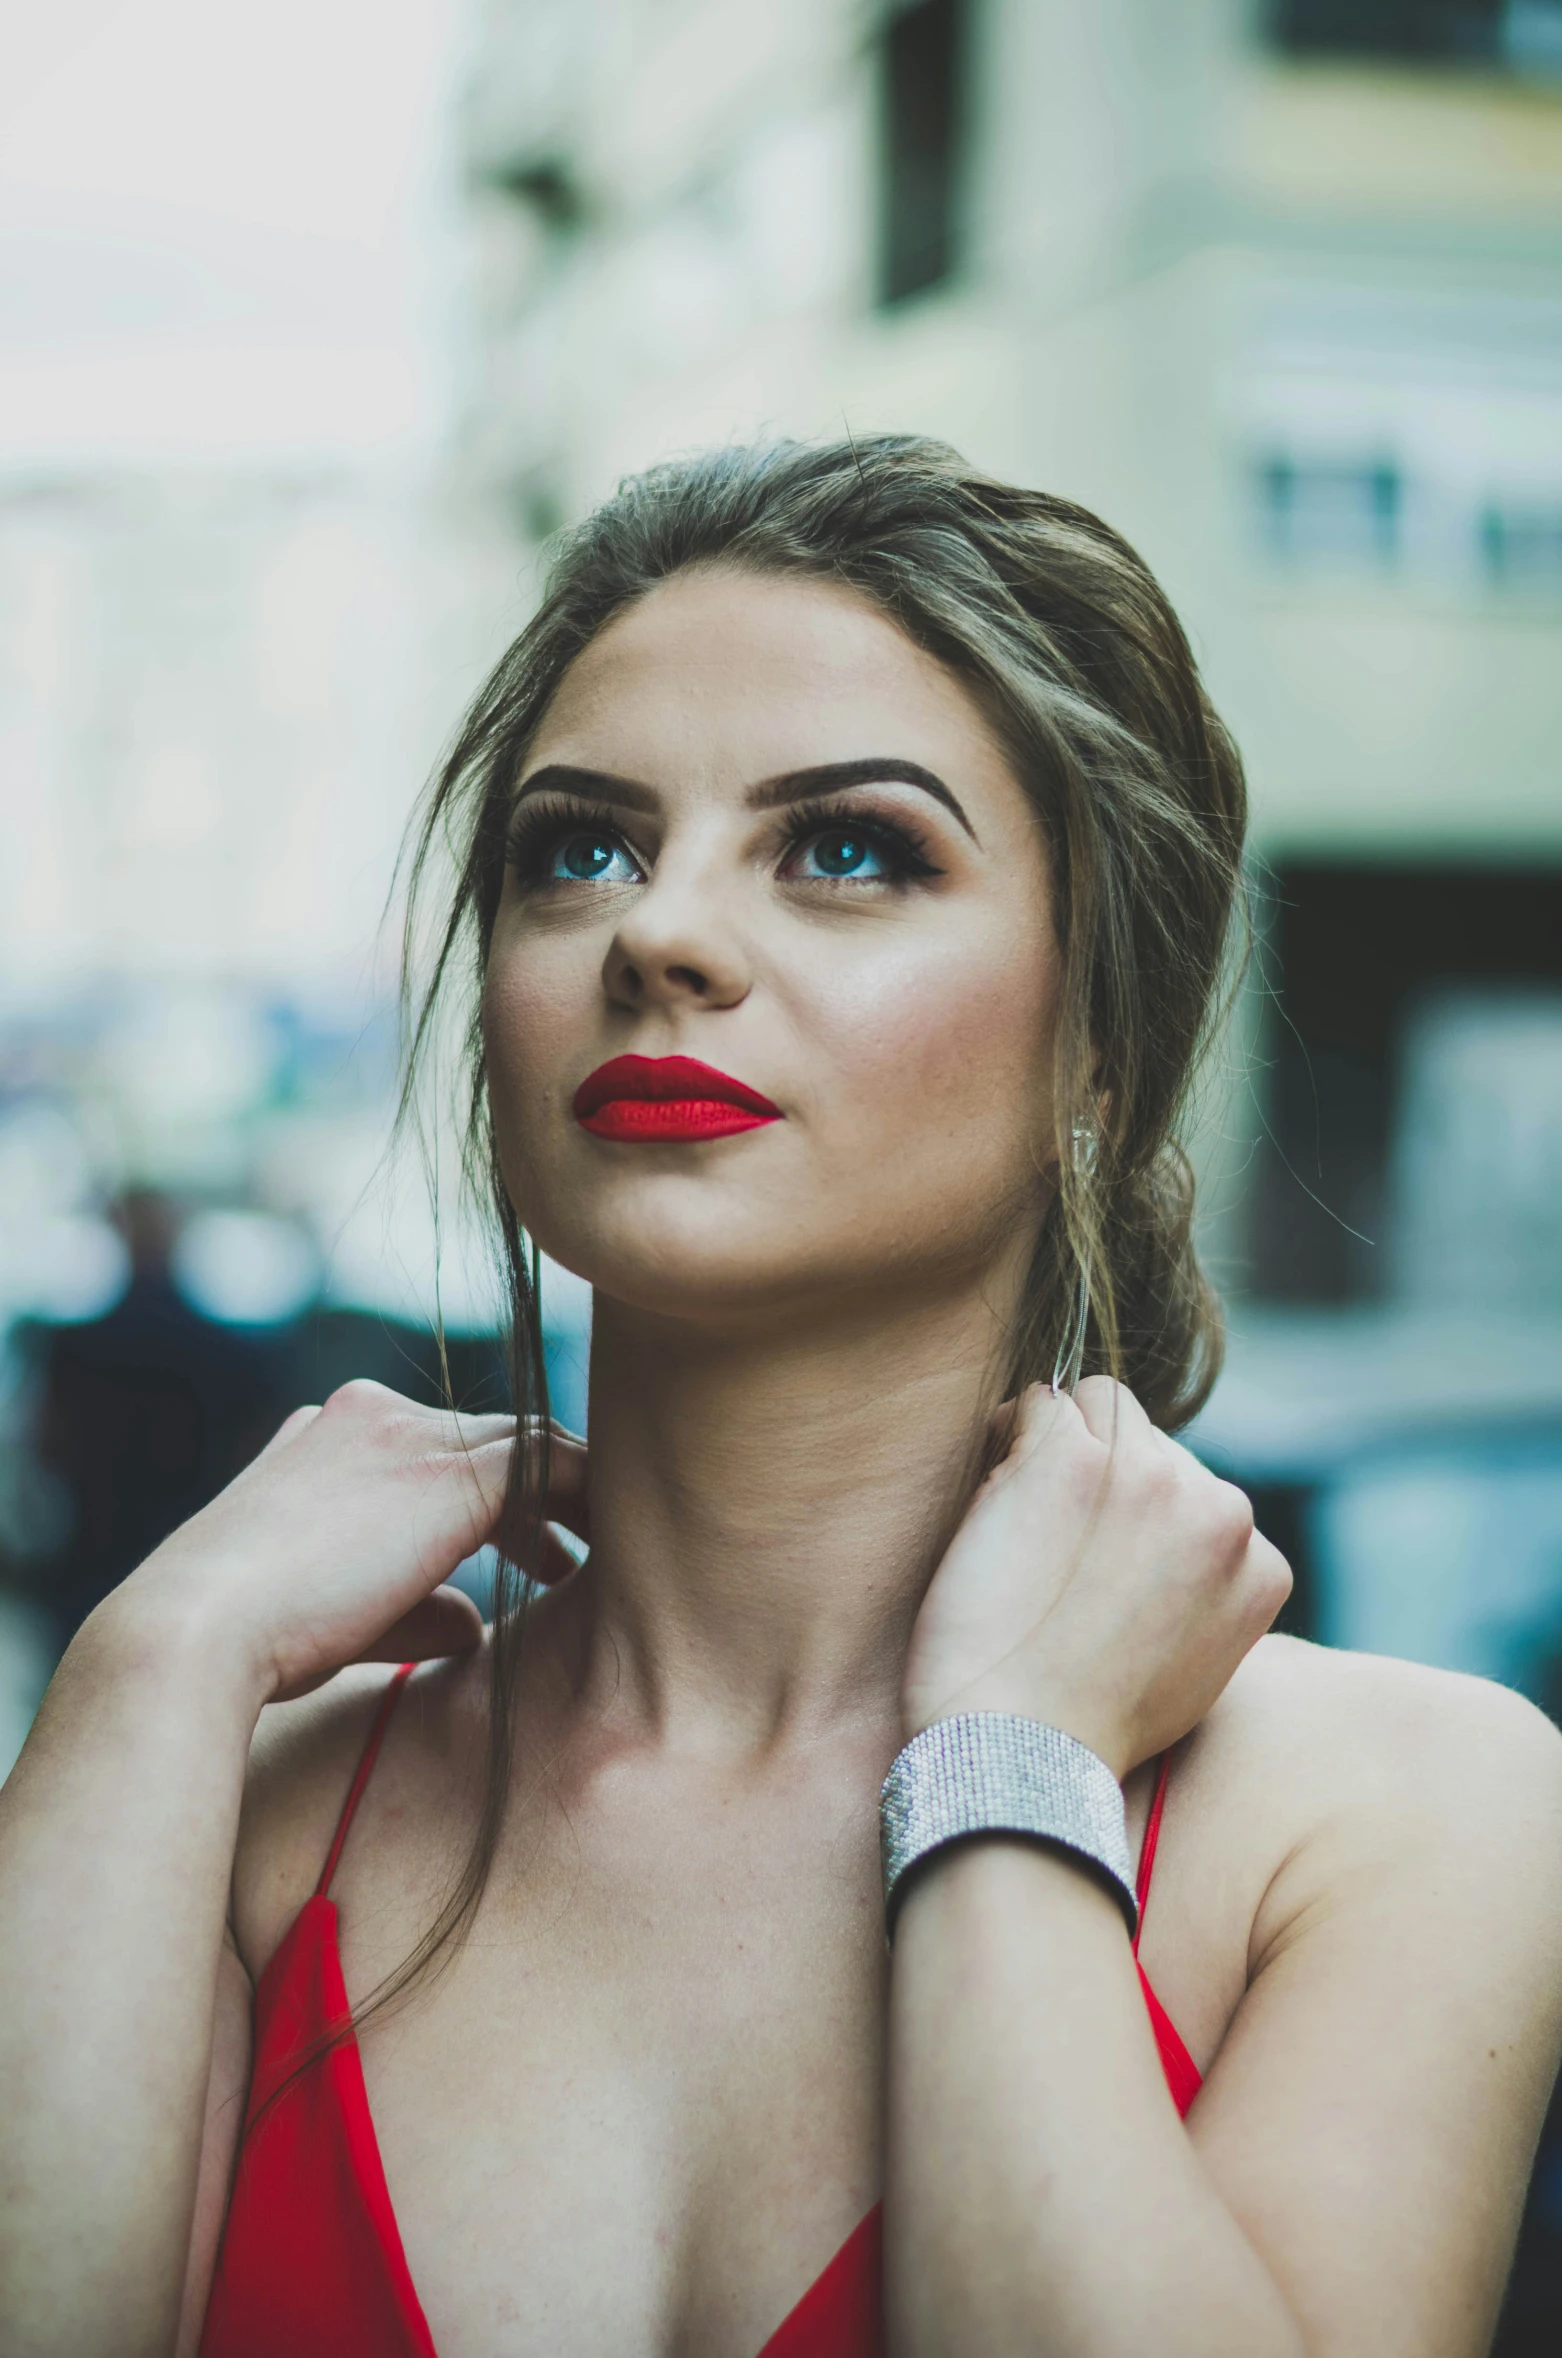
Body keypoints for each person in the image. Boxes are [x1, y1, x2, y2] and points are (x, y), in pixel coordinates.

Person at [2, 438, 1559, 2358]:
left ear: (1099, 1042)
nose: (656, 930)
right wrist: (153, 1660)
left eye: (848, 848)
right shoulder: (250, 1801)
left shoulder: (1397, 1810)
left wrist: (1011, 1766)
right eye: (577, 848)